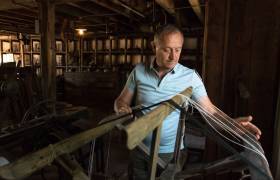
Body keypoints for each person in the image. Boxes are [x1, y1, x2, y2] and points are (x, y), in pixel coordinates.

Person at [114, 24, 261, 179]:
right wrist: (122, 109)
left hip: (169, 153)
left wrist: (232, 125)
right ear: (154, 46)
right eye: (167, 49)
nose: (173, 56)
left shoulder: (190, 77)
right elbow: (121, 100)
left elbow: (210, 111)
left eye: (178, 49)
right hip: (138, 148)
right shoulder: (138, 71)